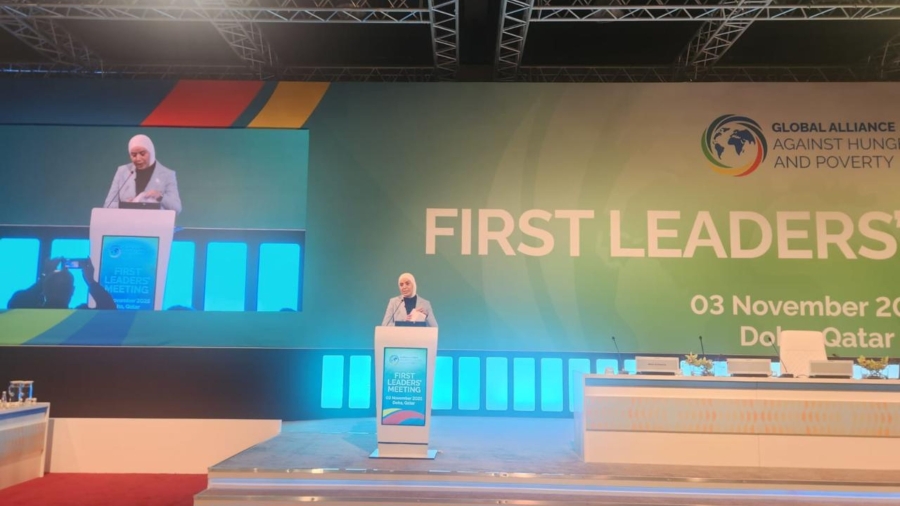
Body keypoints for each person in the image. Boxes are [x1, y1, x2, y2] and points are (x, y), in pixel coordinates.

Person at [103, 134, 182, 214]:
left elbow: (177, 208)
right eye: (134, 155)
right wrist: (125, 205)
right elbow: (107, 205)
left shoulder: (167, 174)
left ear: (151, 152)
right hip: (127, 220)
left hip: (154, 221)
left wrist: (160, 197)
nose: (138, 158)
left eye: (142, 153)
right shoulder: (122, 171)